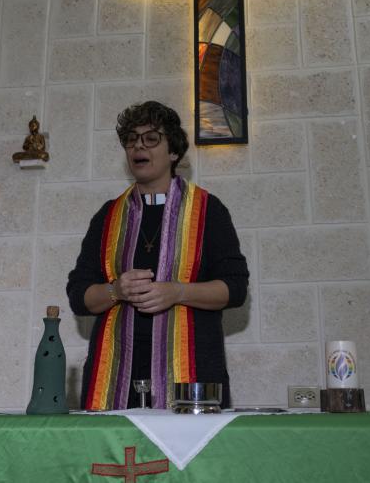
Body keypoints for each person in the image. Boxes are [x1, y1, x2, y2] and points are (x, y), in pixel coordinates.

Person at [66, 101, 249, 410]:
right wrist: (116, 290)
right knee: (113, 459)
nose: (139, 145)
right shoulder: (108, 216)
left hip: (191, 373)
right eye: (131, 139)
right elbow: (78, 296)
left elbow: (235, 289)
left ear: (173, 151)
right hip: (116, 375)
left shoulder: (207, 210)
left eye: (151, 138)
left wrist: (177, 292)